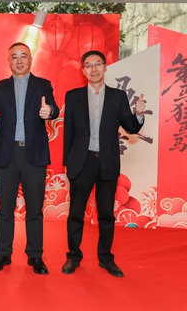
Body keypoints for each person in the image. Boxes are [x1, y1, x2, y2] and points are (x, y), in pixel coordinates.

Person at [0, 42, 59, 274]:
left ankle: (35, 255)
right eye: (14, 57)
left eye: (24, 56)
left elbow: (53, 108)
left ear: (31, 60)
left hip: (34, 155)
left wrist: (50, 112)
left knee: (35, 209)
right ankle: (3, 253)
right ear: (9, 61)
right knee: (5, 208)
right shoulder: (0, 87)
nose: (19, 61)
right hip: (7, 154)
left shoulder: (43, 85)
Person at [62, 50, 145, 277]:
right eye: (88, 65)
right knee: (76, 213)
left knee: (106, 214)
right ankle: (73, 256)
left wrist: (138, 114)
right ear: (83, 70)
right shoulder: (73, 96)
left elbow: (131, 127)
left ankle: (106, 258)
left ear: (105, 67)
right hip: (82, 162)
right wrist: (68, 163)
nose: (94, 69)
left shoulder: (118, 97)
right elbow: (69, 132)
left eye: (97, 64)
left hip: (107, 162)